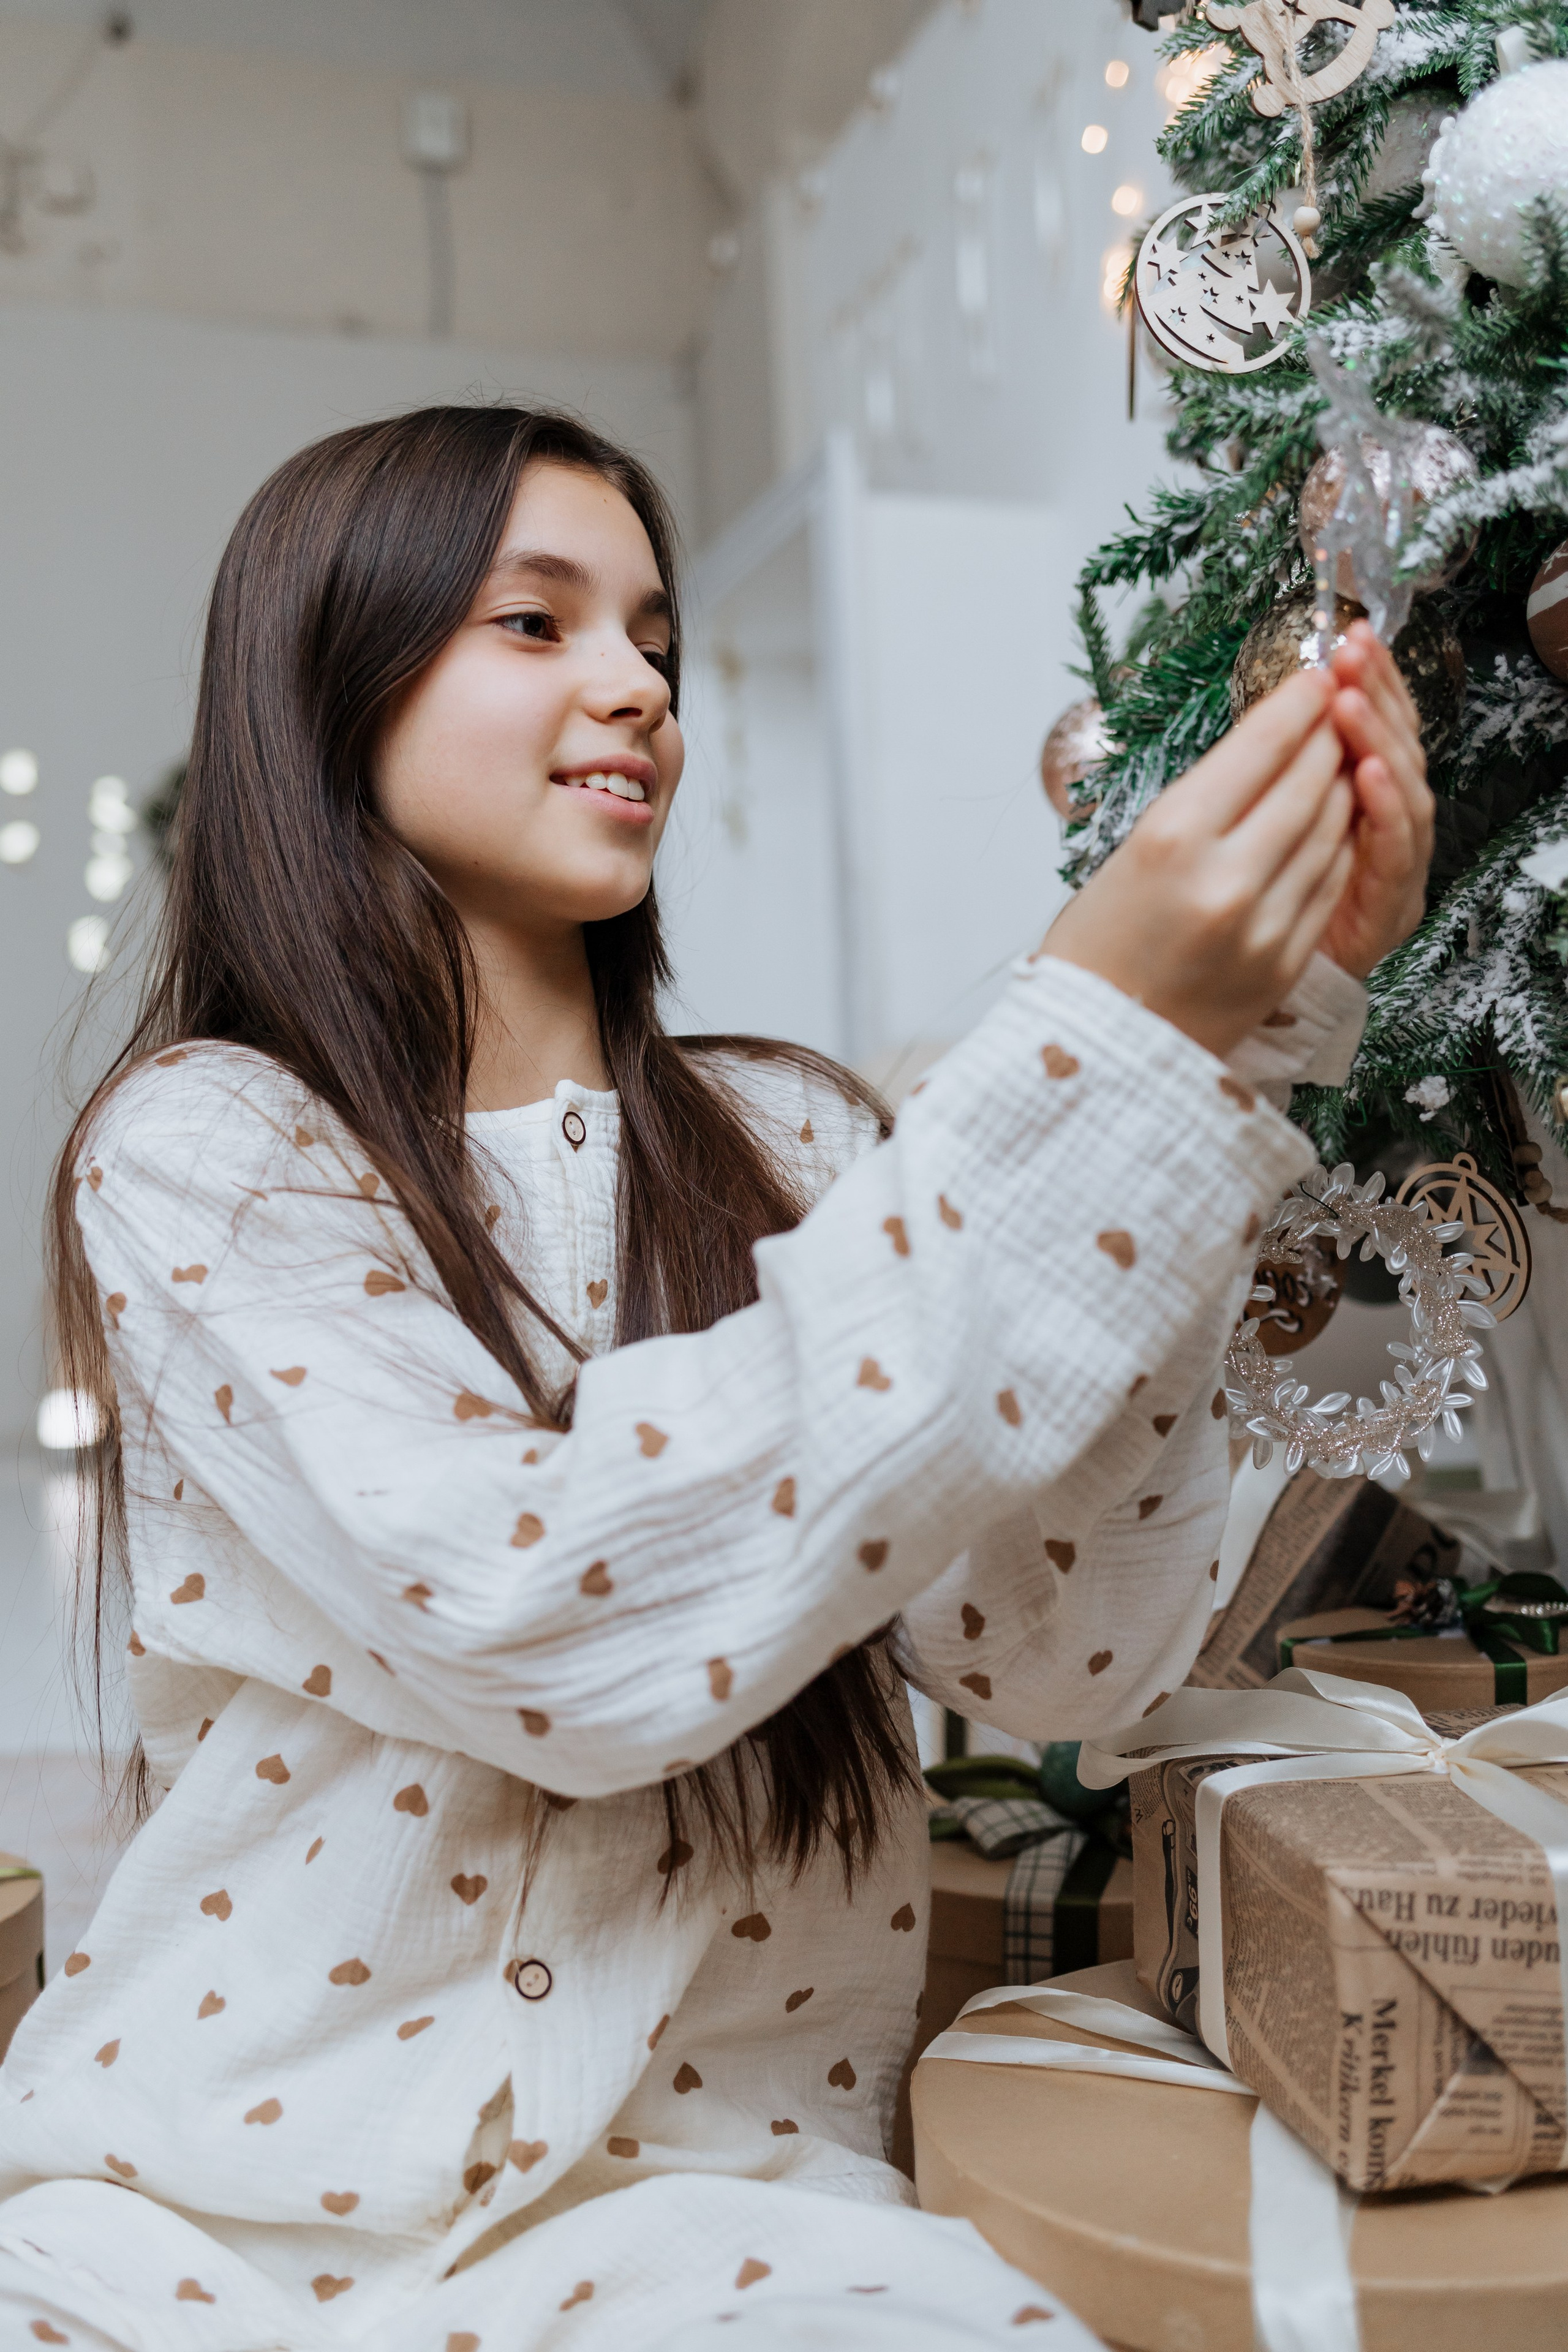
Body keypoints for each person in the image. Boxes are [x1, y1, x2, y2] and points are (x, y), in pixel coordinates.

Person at [0, 407, 1430, 2350]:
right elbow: (545, 1620)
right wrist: (1088, 1046)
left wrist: (1235, 1057)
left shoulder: (798, 1141)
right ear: (327, 684)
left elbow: (1062, 1659)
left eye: (657, 642)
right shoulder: (213, 1148)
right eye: (539, 622)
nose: (637, 688)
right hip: (201, 2226)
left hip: (719, 2227)